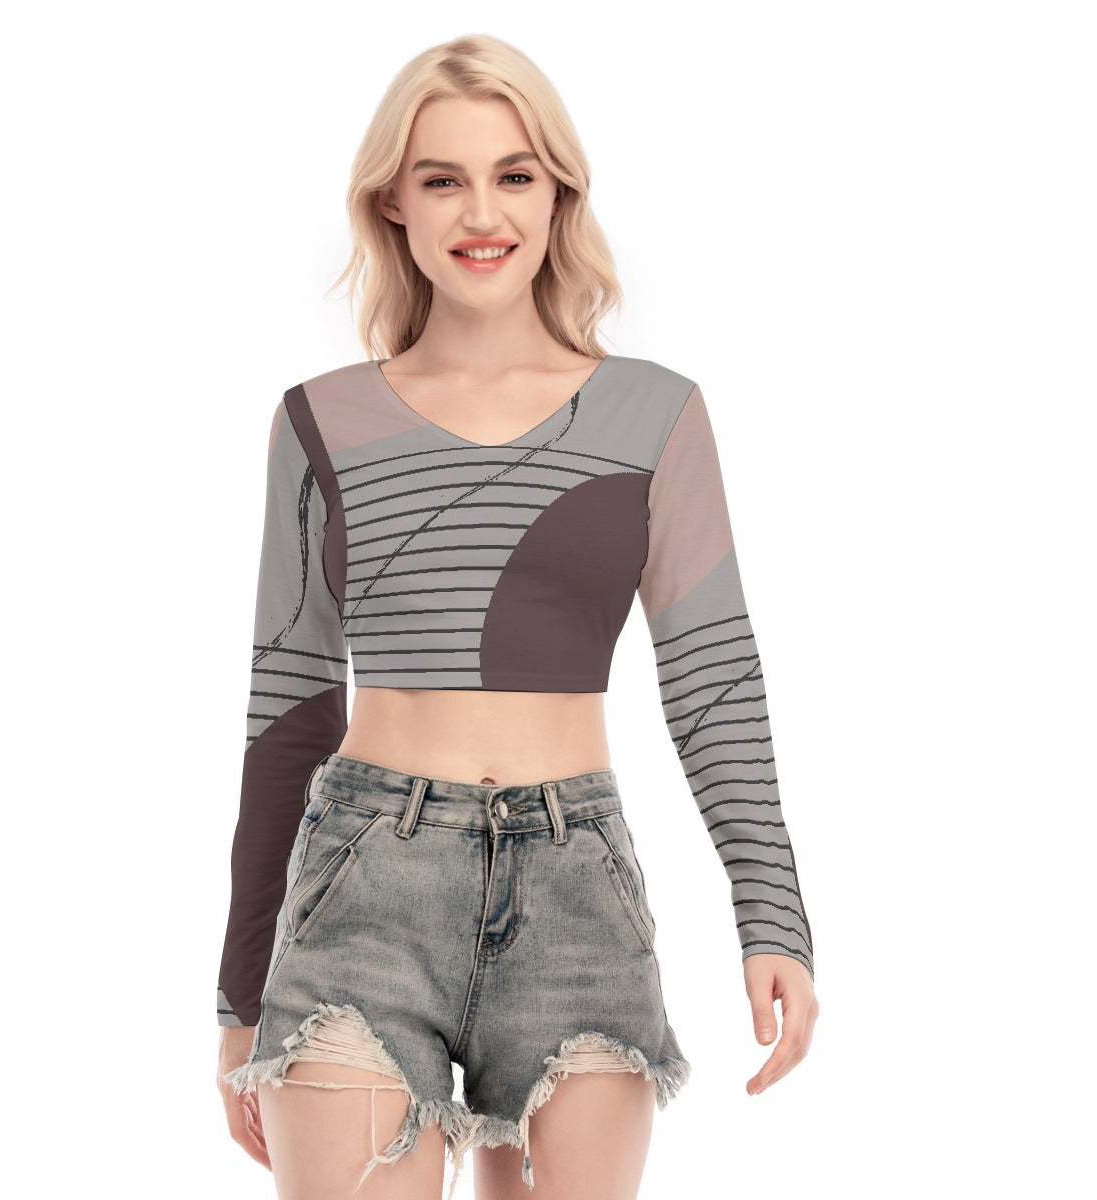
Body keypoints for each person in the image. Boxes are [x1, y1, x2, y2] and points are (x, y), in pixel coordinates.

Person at [215, 32, 818, 1200]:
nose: (481, 212)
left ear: (558, 194)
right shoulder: (320, 423)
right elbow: (288, 708)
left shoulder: (653, 416)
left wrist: (773, 917)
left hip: (577, 895)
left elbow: (713, 680)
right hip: (362, 893)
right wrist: (239, 995)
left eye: (514, 174)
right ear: (393, 201)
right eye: (442, 178)